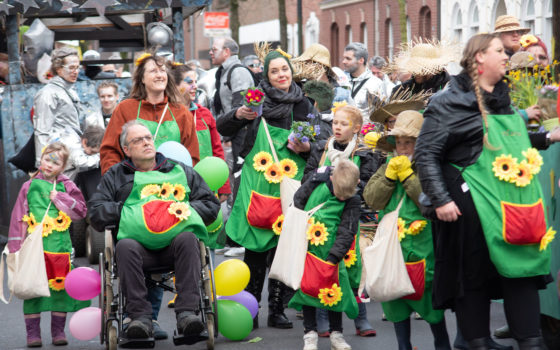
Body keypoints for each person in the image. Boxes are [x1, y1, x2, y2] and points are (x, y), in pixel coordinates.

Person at [415, 33, 560, 349]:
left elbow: (507, 141)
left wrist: (548, 138)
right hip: (471, 210)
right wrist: (440, 199)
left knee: (521, 274)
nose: (506, 56)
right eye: (499, 51)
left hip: (512, 209)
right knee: (473, 280)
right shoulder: (447, 101)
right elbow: (425, 155)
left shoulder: (502, 98)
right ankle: (477, 343)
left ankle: (531, 343)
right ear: (479, 57)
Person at [89, 121, 220, 340]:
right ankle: (140, 318)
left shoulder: (178, 169)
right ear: (127, 150)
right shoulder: (116, 175)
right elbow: (96, 212)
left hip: (175, 246)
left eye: (148, 138)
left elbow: (210, 204)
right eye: (138, 140)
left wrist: (176, 210)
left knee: (188, 238)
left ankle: (187, 314)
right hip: (138, 250)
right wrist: (132, 212)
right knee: (125, 246)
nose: (146, 143)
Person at [217, 49, 315, 329]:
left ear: (291, 72)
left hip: (291, 184)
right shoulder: (255, 100)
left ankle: (277, 309)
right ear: (267, 76)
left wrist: (307, 146)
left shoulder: (304, 104)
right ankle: (250, 307)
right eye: (275, 71)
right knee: (256, 247)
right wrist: (240, 113)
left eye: (285, 69)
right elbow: (222, 125)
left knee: (284, 247)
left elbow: (315, 145)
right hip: (257, 182)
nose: (281, 75)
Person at [363, 110, 451, 350]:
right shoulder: (386, 166)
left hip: (423, 247)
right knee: (395, 301)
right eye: (399, 142)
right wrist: (390, 177)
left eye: (408, 142)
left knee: (430, 303)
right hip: (392, 248)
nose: (402, 148)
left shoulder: (429, 166)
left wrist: (409, 175)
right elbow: (372, 200)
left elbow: (429, 200)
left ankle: (443, 345)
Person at [302, 104, 379, 337]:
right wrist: (320, 177)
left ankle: (360, 317)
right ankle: (323, 316)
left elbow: (370, 185)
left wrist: (354, 185)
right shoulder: (320, 149)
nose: (337, 127)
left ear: (356, 129)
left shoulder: (364, 154)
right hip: (322, 220)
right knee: (323, 265)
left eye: (343, 124)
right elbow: (306, 177)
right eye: (335, 122)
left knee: (352, 266)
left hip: (352, 217)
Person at [8, 142, 89, 347]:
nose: (50, 165)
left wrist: (60, 198)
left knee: (59, 289)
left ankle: (57, 332)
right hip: (35, 248)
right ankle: (32, 334)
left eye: (56, 162)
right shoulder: (29, 186)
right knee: (32, 288)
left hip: (59, 248)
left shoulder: (67, 185)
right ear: (40, 160)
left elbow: (81, 211)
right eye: (47, 159)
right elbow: (19, 216)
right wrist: (15, 247)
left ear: (62, 167)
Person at [290, 159, 361, 350]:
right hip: (309, 249)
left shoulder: (353, 199)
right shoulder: (317, 183)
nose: (342, 198)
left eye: (347, 195)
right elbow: (297, 201)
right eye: (339, 194)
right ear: (331, 178)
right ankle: (309, 334)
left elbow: (347, 230)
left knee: (333, 293)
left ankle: (336, 334)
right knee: (307, 291)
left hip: (333, 255)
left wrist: (333, 258)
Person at [99, 52, 200, 174]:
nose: (159, 75)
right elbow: (110, 151)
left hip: (174, 187)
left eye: (162, 71)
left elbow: (192, 156)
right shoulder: (125, 109)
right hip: (134, 187)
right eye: (153, 71)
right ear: (142, 78)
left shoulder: (182, 112)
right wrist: (118, 182)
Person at [211, 37, 255, 173]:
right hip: (231, 134)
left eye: (214, 50)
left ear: (226, 52)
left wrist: (229, 138)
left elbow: (241, 110)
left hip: (240, 136)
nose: (210, 53)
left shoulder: (238, 72)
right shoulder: (225, 71)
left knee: (238, 175)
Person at [33, 47, 82, 167]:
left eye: (77, 67)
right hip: (57, 160)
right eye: (71, 68)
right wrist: (43, 164)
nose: (75, 71)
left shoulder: (70, 91)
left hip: (71, 156)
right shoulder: (48, 93)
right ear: (59, 69)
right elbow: (42, 131)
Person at [391, 40, 459, 97]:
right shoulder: (400, 91)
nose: (416, 72)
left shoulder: (452, 89)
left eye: (421, 67)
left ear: (434, 68)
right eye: (414, 66)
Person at [342, 42, 385, 122]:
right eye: (344, 58)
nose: (344, 61)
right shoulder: (341, 81)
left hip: (366, 133)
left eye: (348, 58)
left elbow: (383, 115)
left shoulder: (375, 83)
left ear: (361, 60)